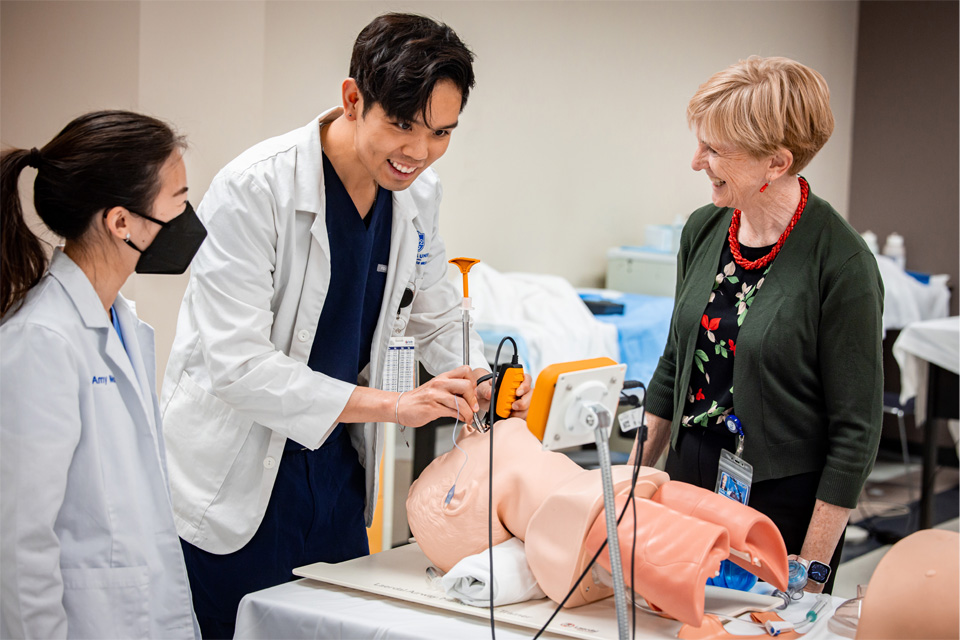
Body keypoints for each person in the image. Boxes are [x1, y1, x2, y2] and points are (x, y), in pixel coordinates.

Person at [161, 12, 531, 637]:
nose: (419, 151)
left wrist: (479, 379)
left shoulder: (417, 195)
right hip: (234, 485)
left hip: (333, 479)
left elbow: (436, 311)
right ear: (353, 99)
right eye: (403, 125)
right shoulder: (255, 189)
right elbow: (236, 364)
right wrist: (394, 405)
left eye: (442, 132)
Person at [633, 56, 884, 594]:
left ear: (776, 162)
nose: (697, 161)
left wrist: (810, 572)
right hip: (687, 480)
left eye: (715, 149)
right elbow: (676, 363)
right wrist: (624, 487)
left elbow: (856, 432)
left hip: (780, 506)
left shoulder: (841, 263)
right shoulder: (704, 230)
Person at [0, 111, 206, 638]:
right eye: (178, 200)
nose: (188, 217)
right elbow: (19, 544)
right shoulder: (42, 341)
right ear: (121, 222)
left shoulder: (121, 321)